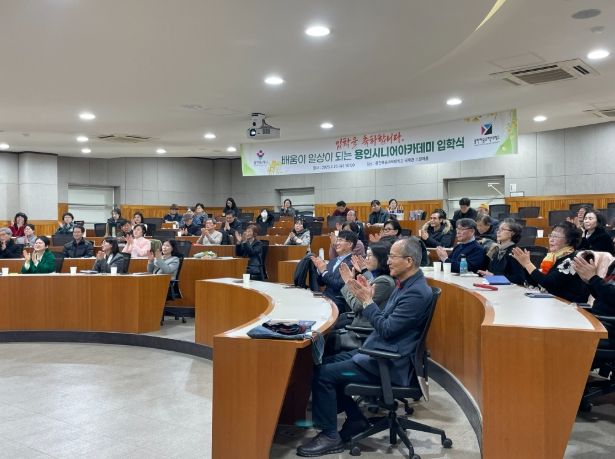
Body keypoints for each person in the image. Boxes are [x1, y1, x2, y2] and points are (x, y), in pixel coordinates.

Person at [296, 237, 432, 457]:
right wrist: (365, 294)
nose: (388, 261)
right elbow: (386, 320)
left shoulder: (415, 292)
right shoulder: (406, 283)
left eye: (392, 257)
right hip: (377, 352)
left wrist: (367, 301)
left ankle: (329, 435)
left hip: (388, 362)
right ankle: (356, 420)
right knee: (324, 364)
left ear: (409, 261)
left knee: (323, 375)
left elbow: (386, 329)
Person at [336, 242, 396, 350]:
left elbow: (357, 306)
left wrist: (348, 282)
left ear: (381, 258)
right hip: (359, 326)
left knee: (326, 339)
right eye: (366, 255)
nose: (366, 259)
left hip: (363, 334)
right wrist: (362, 272)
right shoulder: (378, 277)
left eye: (369, 255)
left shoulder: (384, 282)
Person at [511, 221, 590, 304]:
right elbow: (535, 282)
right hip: (554, 302)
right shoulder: (553, 257)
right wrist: (524, 266)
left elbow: (548, 283)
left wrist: (528, 264)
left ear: (569, 240)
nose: (551, 240)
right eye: (551, 235)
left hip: (570, 306)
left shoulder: (572, 260)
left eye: (556, 236)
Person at [311, 230, 357, 314]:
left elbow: (338, 286)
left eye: (340, 240)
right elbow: (321, 283)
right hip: (325, 297)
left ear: (350, 244)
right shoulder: (333, 260)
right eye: (337, 240)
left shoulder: (352, 263)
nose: (337, 243)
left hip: (338, 301)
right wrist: (319, 269)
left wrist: (324, 271)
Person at [572, 255, 615, 345]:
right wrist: (589, 281)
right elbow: (604, 296)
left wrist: (593, 279)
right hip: (599, 320)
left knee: (564, 334)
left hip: (609, 326)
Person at [477, 220, 526, 285]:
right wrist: (485, 273)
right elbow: (491, 271)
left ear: (512, 233)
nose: (498, 232)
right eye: (498, 229)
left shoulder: (515, 252)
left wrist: (494, 276)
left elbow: (519, 278)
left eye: (502, 229)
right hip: (496, 285)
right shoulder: (496, 250)